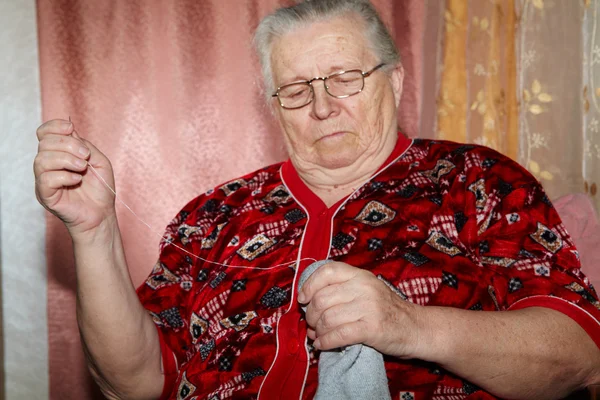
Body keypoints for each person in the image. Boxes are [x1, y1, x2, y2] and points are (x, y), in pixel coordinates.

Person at [34, 0, 600, 399]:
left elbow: (577, 355)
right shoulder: (213, 214)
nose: (323, 107)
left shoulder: (479, 180)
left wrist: (409, 326)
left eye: (345, 78)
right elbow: (131, 383)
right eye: (297, 90)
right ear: (273, 105)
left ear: (396, 81)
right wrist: (94, 231)